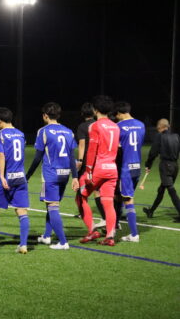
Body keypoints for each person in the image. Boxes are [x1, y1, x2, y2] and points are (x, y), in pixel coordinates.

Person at [25, 102, 78, 250]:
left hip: (51, 175)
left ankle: (63, 242)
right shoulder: (68, 131)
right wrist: (75, 177)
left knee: (52, 206)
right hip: (65, 174)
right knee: (52, 204)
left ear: (45, 116)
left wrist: (28, 175)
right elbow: (71, 156)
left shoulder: (43, 131)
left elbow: (37, 157)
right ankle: (47, 236)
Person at [76, 95, 120, 245]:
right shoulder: (115, 126)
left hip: (98, 169)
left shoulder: (94, 126)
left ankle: (92, 231)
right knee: (108, 202)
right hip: (112, 169)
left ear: (95, 110)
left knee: (80, 197)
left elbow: (92, 150)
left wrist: (88, 171)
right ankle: (110, 237)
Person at [0, 107, 30, 254]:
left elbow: (2, 155)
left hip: (5, 178)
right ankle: (23, 245)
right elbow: (16, 156)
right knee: (22, 211)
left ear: (0, 121)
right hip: (20, 177)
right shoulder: (21, 134)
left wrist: (2, 175)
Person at [114, 102, 146, 241]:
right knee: (119, 196)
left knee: (128, 199)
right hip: (136, 167)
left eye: (116, 115)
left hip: (125, 168)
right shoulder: (141, 125)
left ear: (119, 113)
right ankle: (115, 224)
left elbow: (116, 148)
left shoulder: (118, 127)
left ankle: (134, 234)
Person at [143, 118, 180, 219]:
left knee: (171, 190)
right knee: (162, 189)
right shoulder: (176, 136)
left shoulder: (160, 136)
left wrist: (148, 164)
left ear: (159, 127)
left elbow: (153, 152)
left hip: (165, 166)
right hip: (175, 166)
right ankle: (151, 211)